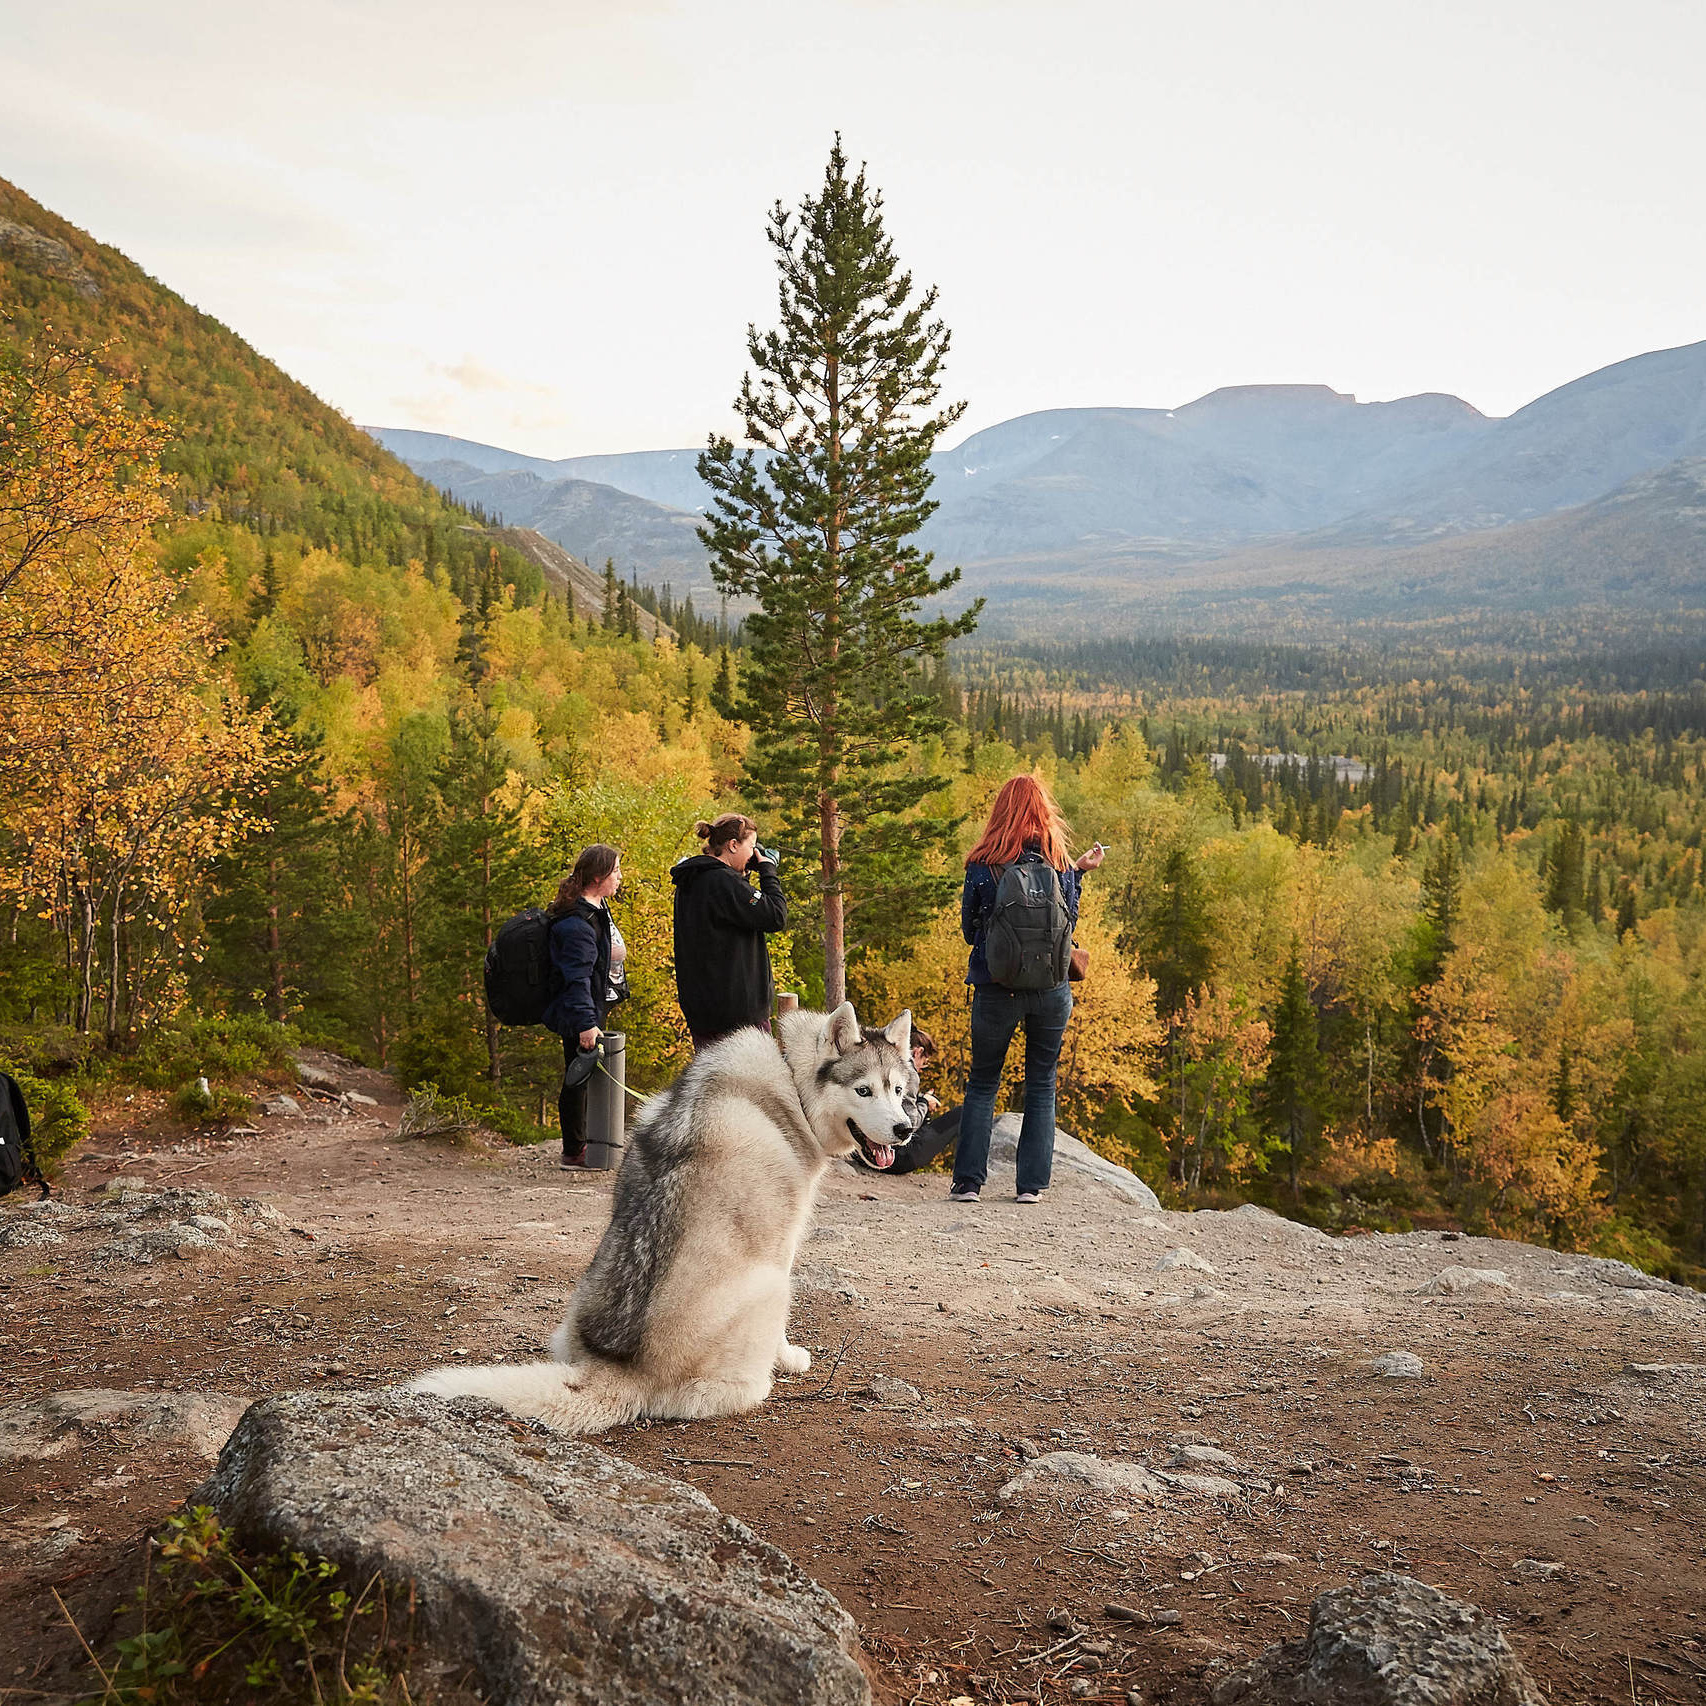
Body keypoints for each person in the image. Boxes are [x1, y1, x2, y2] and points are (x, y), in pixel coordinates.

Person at [950, 775, 1105, 1204]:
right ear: (1043, 811)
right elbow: (1068, 921)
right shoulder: (1058, 862)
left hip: (996, 987)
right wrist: (1079, 874)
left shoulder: (983, 864)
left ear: (1001, 811)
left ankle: (968, 1184)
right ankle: (1031, 1187)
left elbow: (969, 931)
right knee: (1041, 1082)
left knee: (983, 1082)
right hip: (1051, 989)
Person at [671, 813, 788, 1051]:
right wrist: (767, 871)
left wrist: (743, 875)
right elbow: (776, 915)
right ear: (733, 845)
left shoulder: (693, 879)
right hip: (738, 1018)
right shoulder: (722, 882)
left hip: (704, 1012)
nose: (754, 854)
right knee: (750, 1085)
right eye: (752, 847)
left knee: (711, 1085)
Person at [542, 844, 621, 1170]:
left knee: (585, 1075)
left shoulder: (593, 911)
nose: (620, 877)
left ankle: (588, 1143)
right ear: (599, 877)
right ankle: (575, 1151)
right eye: (616, 871)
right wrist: (586, 1024)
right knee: (577, 1076)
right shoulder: (577, 924)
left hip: (588, 1006)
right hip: (579, 1011)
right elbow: (577, 980)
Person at [887, 1026, 964, 1176]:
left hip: (869, 1154)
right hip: (899, 1158)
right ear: (918, 1052)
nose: (923, 1067)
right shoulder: (909, 1071)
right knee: (962, 1113)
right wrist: (925, 1103)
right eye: (925, 1061)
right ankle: (965, 1174)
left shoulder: (885, 1064)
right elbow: (910, 1125)